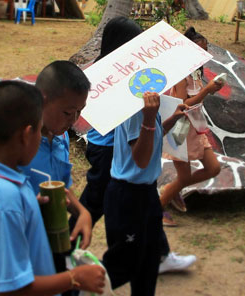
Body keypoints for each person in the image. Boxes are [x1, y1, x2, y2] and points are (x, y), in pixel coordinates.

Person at [75, 16, 196, 274]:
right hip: (108, 150)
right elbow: (137, 147)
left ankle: (158, 254)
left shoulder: (128, 80)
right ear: (120, 45)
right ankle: (69, 247)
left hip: (120, 149)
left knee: (136, 203)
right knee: (97, 202)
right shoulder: (106, 78)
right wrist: (150, 120)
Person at [0, 80, 105, 296]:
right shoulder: (5, 198)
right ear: (26, 134)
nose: (42, 138)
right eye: (39, 131)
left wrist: (27, 207)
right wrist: (75, 277)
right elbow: (12, 289)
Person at [20, 61, 95, 296]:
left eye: (79, 112)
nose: (73, 119)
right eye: (67, 112)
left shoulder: (60, 138)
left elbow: (62, 188)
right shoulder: (15, 143)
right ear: (42, 99)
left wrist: (82, 212)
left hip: (52, 243)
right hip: (23, 250)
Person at [103, 89, 187, 295]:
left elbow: (152, 137)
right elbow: (141, 159)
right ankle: (77, 288)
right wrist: (149, 118)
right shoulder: (136, 109)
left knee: (149, 261)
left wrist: (170, 120)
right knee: (125, 261)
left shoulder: (147, 106)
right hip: (128, 195)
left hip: (146, 192)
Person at [159, 27, 222, 226]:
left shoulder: (195, 71)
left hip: (195, 127)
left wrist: (209, 89)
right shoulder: (180, 73)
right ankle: (157, 208)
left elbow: (194, 100)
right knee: (184, 177)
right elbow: (181, 104)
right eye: (200, 50)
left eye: (206, 49)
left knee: (213, 168)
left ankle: (172, 189)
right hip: (179, 130)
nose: (204, 54)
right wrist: (207, 91)